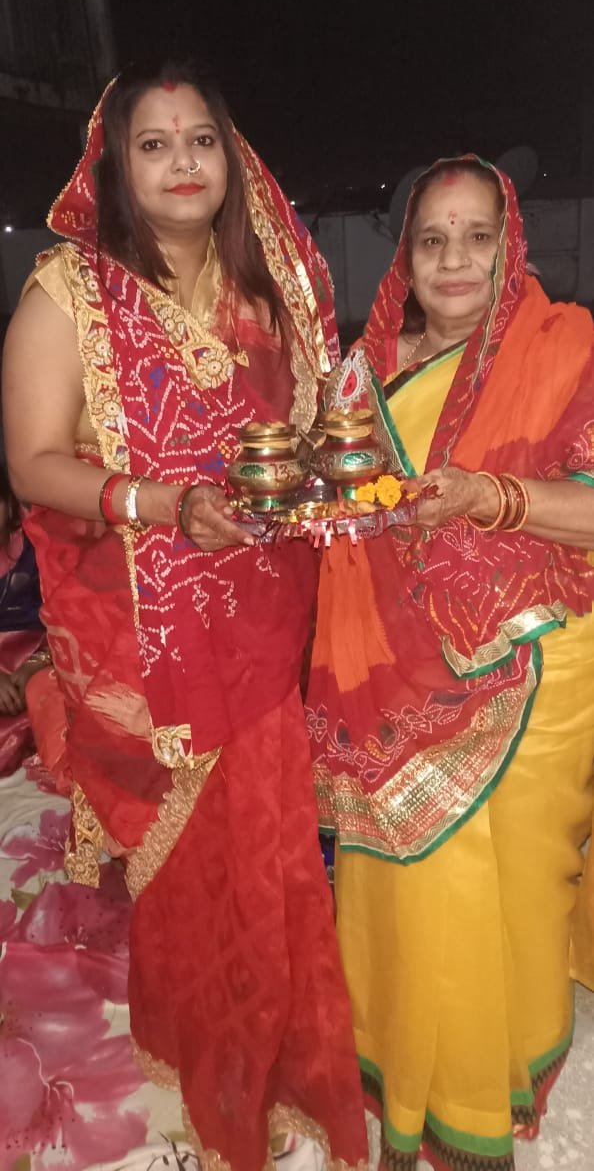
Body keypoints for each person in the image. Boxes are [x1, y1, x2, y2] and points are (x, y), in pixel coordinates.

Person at [2, 59, 367, 1171]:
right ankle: (220, 1073)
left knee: (273, 854)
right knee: (207, 863)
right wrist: (165, 504)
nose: (181, 163)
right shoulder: (70, 293)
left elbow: (316, 436)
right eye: (153, 144)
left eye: (200, 138)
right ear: (116, 165)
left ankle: (278, 1055)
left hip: (270, 609)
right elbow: (33, 463)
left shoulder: (271, 288)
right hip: (151, 628)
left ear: (230, 153)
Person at [306, 156, 594, 1171]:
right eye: (433, 239)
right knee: (404, 888)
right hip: (387, 669)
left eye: (478, 237)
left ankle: (482, 1086)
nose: (455, 259)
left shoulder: (566, 345)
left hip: (535, 663)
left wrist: (490, 498)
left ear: (511, 246)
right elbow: (333, 502)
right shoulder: (359, 374)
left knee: (499, 893)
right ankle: (410, 1085)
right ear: (406, 256)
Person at [0, 462, 50, 775]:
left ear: (9, 506)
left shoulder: (37, 543)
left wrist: (36, 663)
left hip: (38, 653)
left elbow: (69, 614)